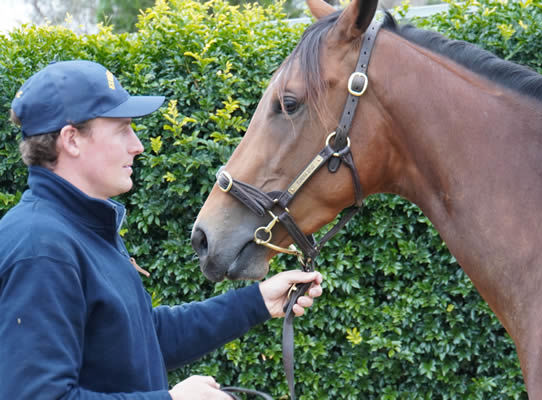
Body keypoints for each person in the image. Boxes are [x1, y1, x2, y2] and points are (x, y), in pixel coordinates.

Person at [0, 60, 323, 400]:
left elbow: (142, 338)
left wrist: (257, 301)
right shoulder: (41, 248)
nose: (137, 145)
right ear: (72, 140)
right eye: (122, 128)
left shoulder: (80, 228)